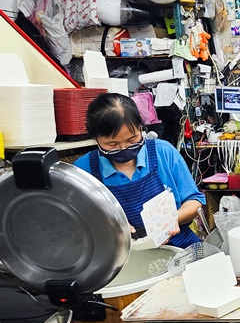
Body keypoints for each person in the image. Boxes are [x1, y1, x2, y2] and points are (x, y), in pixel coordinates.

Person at [74, 93, 205, 248]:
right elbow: (77, 222)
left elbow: (195, 201)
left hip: (179, 245)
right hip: (123, 256)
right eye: (112, 144)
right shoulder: (83, 171)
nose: (124, 148)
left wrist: (173, 218)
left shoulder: (163, 152)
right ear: (95, 138)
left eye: (132, 139)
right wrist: (107, 228)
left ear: (141, 128)